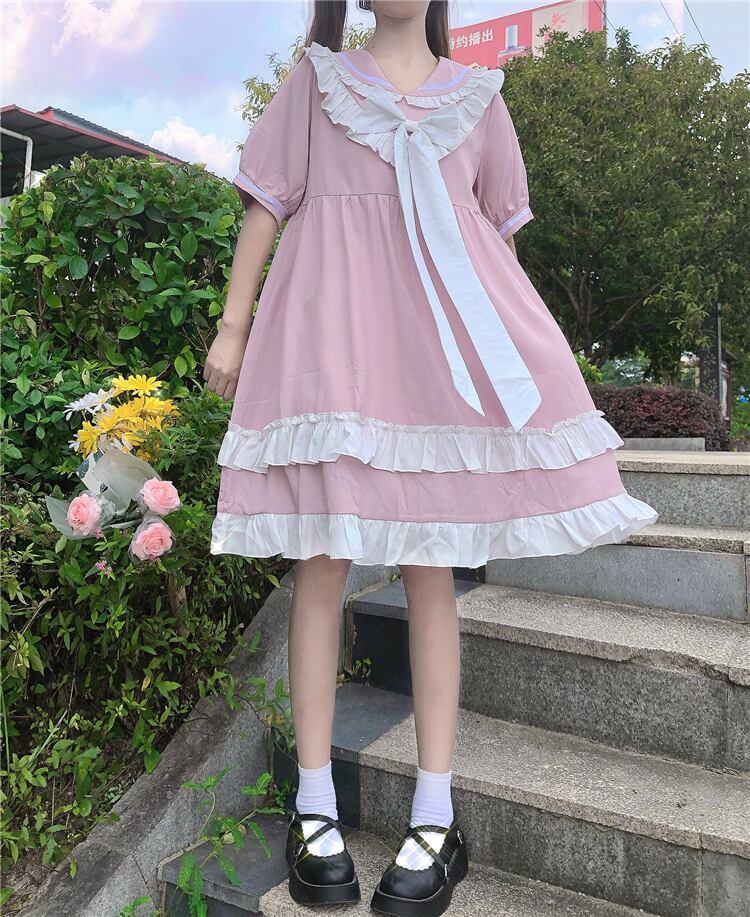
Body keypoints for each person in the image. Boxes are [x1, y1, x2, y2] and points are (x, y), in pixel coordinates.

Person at [204, 2, 658, 914]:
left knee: (431, 571)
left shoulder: (480, 99)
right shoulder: (316, 83)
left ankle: (436, 815)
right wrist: (233, 324)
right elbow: (265, 205)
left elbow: (500, 251)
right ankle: (314, 805)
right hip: (334, 356)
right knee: (320, 562)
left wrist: (520, 371)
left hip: (436, 374)